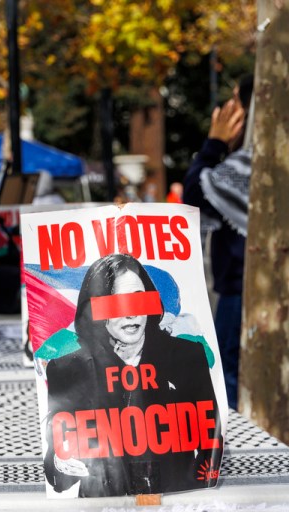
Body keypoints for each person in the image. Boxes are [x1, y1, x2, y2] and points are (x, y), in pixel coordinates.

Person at [44, 254, 222, 497]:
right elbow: (57, 477)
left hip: (176, 501)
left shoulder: (187, 357)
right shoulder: (66, 370)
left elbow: (210, 442)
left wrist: (198, 496)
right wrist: (62, 461)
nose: (131, 314)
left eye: (139, 301)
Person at [183, 75, 253, 410]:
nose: (227, 111)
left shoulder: (249, 164)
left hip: (241, 296)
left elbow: (195, 194)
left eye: (236, 102)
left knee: (231, 389)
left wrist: (214, 144)